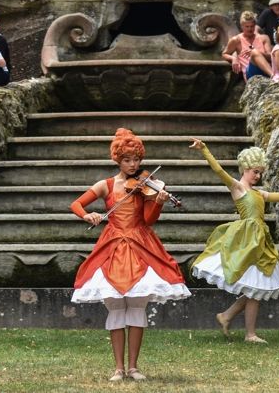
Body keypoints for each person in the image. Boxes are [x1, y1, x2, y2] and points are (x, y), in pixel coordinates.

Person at [70, 128, 190, 382]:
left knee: (136, 305)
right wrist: (87, 215)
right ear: (117, 159)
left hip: (140, 242)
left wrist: (158, 201)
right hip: (112, 244)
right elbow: (76, 204)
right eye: (127, 160)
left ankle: (133, 366)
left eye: (136, 159)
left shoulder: (147, 185)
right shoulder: (106, 185)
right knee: (115, 304)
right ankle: (117, 368)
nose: (133, 164)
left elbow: (148, 220)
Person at [189, 139, 279, 343]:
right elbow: (219, 171)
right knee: (254, 285)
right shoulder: (238, 187)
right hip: (245, 240)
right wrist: (205, 150)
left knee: (255, 285)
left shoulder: (260, 193)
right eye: (254, 171)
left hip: (259, 242)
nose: (257, 176)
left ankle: (227, 317)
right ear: (245, 168)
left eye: (260, 172)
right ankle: (247, 332)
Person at [222, 10, 273, 80]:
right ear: (242, 26)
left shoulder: (264, 38)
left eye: (252, 26)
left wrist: (259, 54)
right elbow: (224, 54)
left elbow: (271, 57)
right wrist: (233, 58)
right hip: (251, 73)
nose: (250, 29)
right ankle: (274, 76)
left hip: (265, 70)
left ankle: (273, 76)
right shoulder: (236, 40)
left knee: (254, 52)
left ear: (255, 26)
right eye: (247, 26)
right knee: (254, 52)